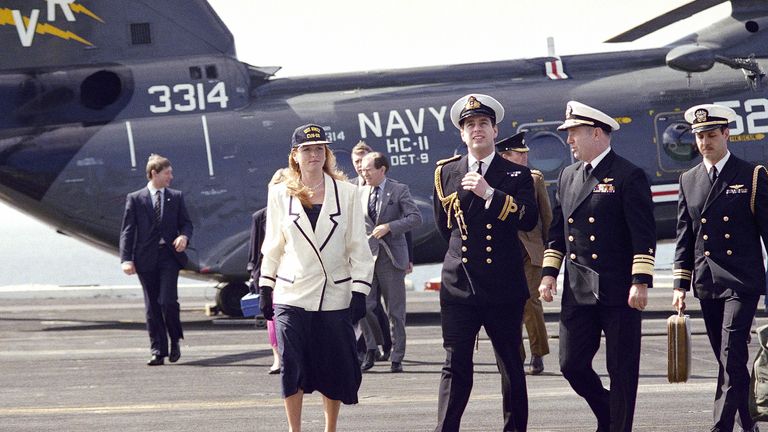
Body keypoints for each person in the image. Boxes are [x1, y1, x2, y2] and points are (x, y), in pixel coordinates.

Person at [538, 101, 656, 432]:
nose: (569, 141)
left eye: (574, 133)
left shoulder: (628, 175)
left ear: (596, 133)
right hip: (578, 291)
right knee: (570, 364)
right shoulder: (566, 176)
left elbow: (642, 234)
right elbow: (557, 232)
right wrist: (549, 275)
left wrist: (640, 280)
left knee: (621, 370)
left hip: (619, 289)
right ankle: (607, 410)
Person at [258, 123, 374, 432]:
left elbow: (358, 247)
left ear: (327, 154)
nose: (314, 154)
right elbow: (273, 243)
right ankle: (295, 430)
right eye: (307, 149)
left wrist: (360, 290)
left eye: (319, 148)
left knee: (333, 370)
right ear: (295, 155)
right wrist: (265, 286)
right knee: (291, 367)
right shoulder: (279, 194)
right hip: (291, 293)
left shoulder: (347, 193)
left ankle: (329, 428)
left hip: (334, 293)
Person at [433, 93, 538, 432]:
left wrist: (489, 194)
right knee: (454, 365)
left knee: (510, 364)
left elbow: (527, 220)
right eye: (469, 125)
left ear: (495, 130)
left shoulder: (517, 176)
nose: (476, 130)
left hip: (502, 286)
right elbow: (444, 227)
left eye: (482, 124)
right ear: (462, 134)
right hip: (459, 285)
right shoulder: (446, 173)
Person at [672, 103, 768, 432]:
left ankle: (721, 426)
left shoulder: (751, 175)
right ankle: (749, 424)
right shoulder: (689, 179)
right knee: (727, 360)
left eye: (711, 134)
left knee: (731, 352)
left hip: (742, 279)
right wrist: (679, 287)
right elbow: (685, 237)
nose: (705, 142)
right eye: (699, 136)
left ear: (727, 134)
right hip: (707, 281)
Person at [119, 154, 193, 366]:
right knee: (152, 306)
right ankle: (157, 350)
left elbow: (187, 223)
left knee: (167, 301)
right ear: (154, 174)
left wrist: (184, 236)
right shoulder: (135, 198)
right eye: (167, 173)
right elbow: (127, 231)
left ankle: (175, 340)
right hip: (145, 258)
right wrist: (126, 259)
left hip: (169, 256)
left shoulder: (176, 197)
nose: (171, 176)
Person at [358, 151, 422, 373]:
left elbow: (415, 218)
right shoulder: (359, 193)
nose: (363, 172)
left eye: (368, 169)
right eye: (362, 169)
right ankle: (371, 348)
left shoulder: (398, 190)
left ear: (382, 170)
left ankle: (397, 356)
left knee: (395, 311)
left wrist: (390, 227)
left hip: (392, 258)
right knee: (363, 307)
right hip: (366, 258)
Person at [495, 132, 552, 375]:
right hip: (504, 251)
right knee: (509, 306)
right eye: (505, 155)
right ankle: (516, 355)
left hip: (530, 250)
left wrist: (551, 254)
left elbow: (546, 216)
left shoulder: (535, 179)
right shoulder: (494, 179)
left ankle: (537, 353)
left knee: (530, 302)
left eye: (522, 153)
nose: (525, 157)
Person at [349, 140, 393, 361]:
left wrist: (409, 258)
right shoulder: (349, 188)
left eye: (365, 162)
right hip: (359, 256)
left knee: (378, 307)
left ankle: (385, 344)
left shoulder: (389, 187)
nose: (361, 167)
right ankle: (367, 348)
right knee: (365, 305)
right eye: (357, 162)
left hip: (384, 255)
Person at [247, 168, 290, 375]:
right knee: (272, 320)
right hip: (271, 274)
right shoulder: (260, 217)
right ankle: (277, 358)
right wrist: (255, 277)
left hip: (294, 272)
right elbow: (255, 251)